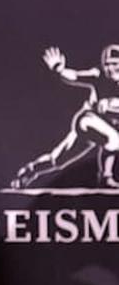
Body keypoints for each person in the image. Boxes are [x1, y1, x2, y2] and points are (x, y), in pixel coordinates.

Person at [11, 44, 119, 189]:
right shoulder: (98, 75)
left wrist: (113, 105)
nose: (110, 68)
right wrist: (59, 69)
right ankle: (106, 177)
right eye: (107, 64)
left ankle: (30, 170)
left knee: (57, 160)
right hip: (89, 121)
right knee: (114, 139)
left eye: (115, 64)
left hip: (105, 127)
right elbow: (75, 76)